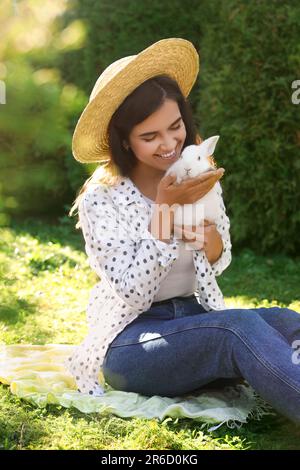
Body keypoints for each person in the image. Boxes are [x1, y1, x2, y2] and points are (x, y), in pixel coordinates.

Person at [65, 38, 300, 425]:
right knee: (235, 329)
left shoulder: (196, 173)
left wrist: (207, 235)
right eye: (150, 136)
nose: (169, 144)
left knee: (281, 320)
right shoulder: (101, 200)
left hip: (193, 319)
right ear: (124, 140)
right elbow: (131, 290)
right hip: (131, 343)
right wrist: (165, 209)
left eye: (175, 127)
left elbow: (217, 259)